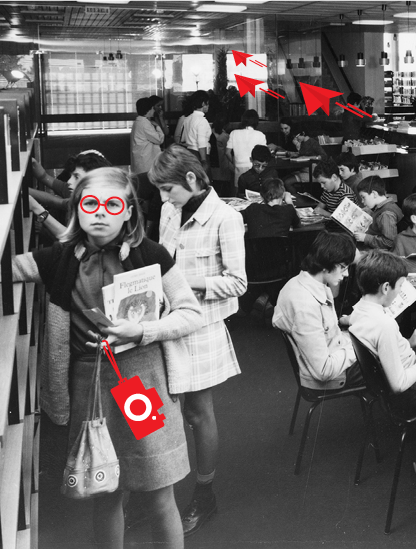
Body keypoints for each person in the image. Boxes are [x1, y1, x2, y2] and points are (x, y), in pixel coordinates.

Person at [12, 167, 203, 548]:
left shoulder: (151, 254)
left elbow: (190, 312)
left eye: (112, 204)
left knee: (158, 489)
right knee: (105, 490)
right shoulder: (60, 258)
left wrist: (145, 331)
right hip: (90, 386)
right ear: (78, 210)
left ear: (129, 212)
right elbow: (12, 268)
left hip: (140, 382)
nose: (100, 213)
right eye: (90, 204)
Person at [149, 144, 247, 537]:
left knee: (197, 412)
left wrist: (182, 282)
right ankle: (154, 493)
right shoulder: (169, 209)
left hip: (200, 326)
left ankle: (204, 494)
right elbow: (159, 257)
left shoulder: (226, 218)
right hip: (162, 322)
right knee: (156, 411)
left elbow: (238, 282)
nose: (163, 198)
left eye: (168, 189)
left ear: (191, 179)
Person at [348, 250, 416, 415]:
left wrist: (409, 343)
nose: (400, 291)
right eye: (401, 286)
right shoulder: (385, 324)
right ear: (386, 287)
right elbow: (399, 385)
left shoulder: (358, 310)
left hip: (403, 372)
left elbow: (383, 351)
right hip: (413, 390)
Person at [272, 231, 364, 391]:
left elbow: (326, 331)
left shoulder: (301, 283)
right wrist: (358, 347)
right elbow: (324, 370)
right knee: (391, 362)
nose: (347, 274)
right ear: (325, 265)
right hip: (331, 375)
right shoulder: (306, 306)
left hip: (334, 350)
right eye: (343, 267)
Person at [30, 151, 113, 242]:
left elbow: (71, 239)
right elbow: (46, 179)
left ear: (94, 180)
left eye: (76, 177)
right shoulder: (79, 190)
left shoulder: (97, 208)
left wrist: (38, 210)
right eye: (71, 176)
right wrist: (35, 166)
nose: (69, 181)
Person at [355, 176, 403, 251]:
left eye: (363, 197)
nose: (362, 201)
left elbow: (389, 242)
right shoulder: (387, 206)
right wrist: (371, 212)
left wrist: (365, 238)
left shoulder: (386, 214)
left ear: (374, 194)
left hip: (381, 254)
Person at [226, 109, 267, 189]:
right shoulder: (260, 135)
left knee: (239, 191)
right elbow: (263, 154)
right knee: (253, 192)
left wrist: (234, 162)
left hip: (239, 166)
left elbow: (227, 152)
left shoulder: (234, 133)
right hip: (255, 168)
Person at [130, 97, 164, 175]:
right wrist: (157, 127)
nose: (154, 110)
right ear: (149, 109)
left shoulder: (137, 122)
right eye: (153, 108)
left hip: (140, 159)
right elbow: (159, 140)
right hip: (146, 160)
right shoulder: (145, 124)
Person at [182, 90, 212, 172]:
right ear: (203, 104)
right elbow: (201, 143)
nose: (208, 106)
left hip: (189, 153)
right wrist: (203, 160)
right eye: (207, 103)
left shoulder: (187, 118)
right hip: (199, 154)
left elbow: (184, 139)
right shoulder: (202, 120)